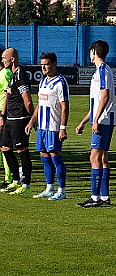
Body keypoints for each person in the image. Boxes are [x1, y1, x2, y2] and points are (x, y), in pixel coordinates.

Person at [75, 40, 115, 207]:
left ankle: (95, 197)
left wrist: (96, 120)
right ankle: (104, 197)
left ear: (93, 52)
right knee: (103, 158)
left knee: (94, 157)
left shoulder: (102, 71)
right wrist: (84, 121)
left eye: (90, 51)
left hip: (103, 120)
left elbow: (104, 96)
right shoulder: (102, 71)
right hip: (104, 119)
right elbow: (98, 101)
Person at [25, 52, 69, 200]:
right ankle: (49, 187)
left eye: (47, 64)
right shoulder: (43, 81)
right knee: (44, 156)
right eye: (42, 64)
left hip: (53, 126)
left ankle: (61, 190)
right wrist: (32, 122)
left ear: (54, 64)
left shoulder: (60, 82)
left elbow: (65, 106)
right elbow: (40, 104)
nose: (43, 67)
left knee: (55, 157)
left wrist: (62, 127)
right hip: (42, 127)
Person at [0, 48, 34, 195]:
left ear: (12, 59)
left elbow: (27, 100)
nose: (2, 60)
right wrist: (3, 116)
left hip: (19, 119)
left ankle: (26, 185)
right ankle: (15, 180)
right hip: (9, 119)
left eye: (4, 58)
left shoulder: (20, 75)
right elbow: (8, 96)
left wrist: (32, 119)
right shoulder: (13, 74)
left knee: (22, 150)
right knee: (5, 148)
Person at [0, 54, 12, 187]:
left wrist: (2, 115)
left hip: (3, 113)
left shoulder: (5, 73)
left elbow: (7, 94)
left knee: (5, 146)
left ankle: (9, 178)